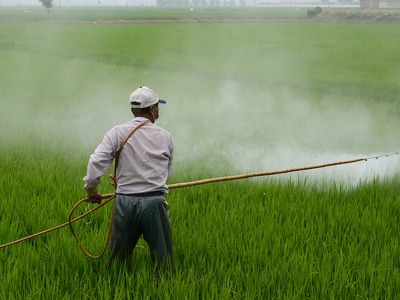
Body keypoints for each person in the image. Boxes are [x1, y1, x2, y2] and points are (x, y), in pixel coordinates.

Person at [83, 86, 174, 271]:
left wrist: (92, 191)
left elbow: (95, 162)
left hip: (125, 202)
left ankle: (116, 285)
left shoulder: (117, 132)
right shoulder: (165, 137)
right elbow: (166, 173)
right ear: (153, 110)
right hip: (154, 203)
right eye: (157, 107)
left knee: (118, 262)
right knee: (163, 262)